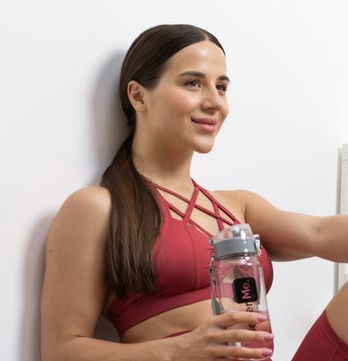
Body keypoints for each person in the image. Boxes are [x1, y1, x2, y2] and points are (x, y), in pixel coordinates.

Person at [40, 24, 348, 361]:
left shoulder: (236, 207)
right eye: (193, 83)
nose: (215, 102)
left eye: (221, 87)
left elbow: (319, 232)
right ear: (138, 96)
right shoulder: (98, 208)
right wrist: (180, 349)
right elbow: (61, 350)